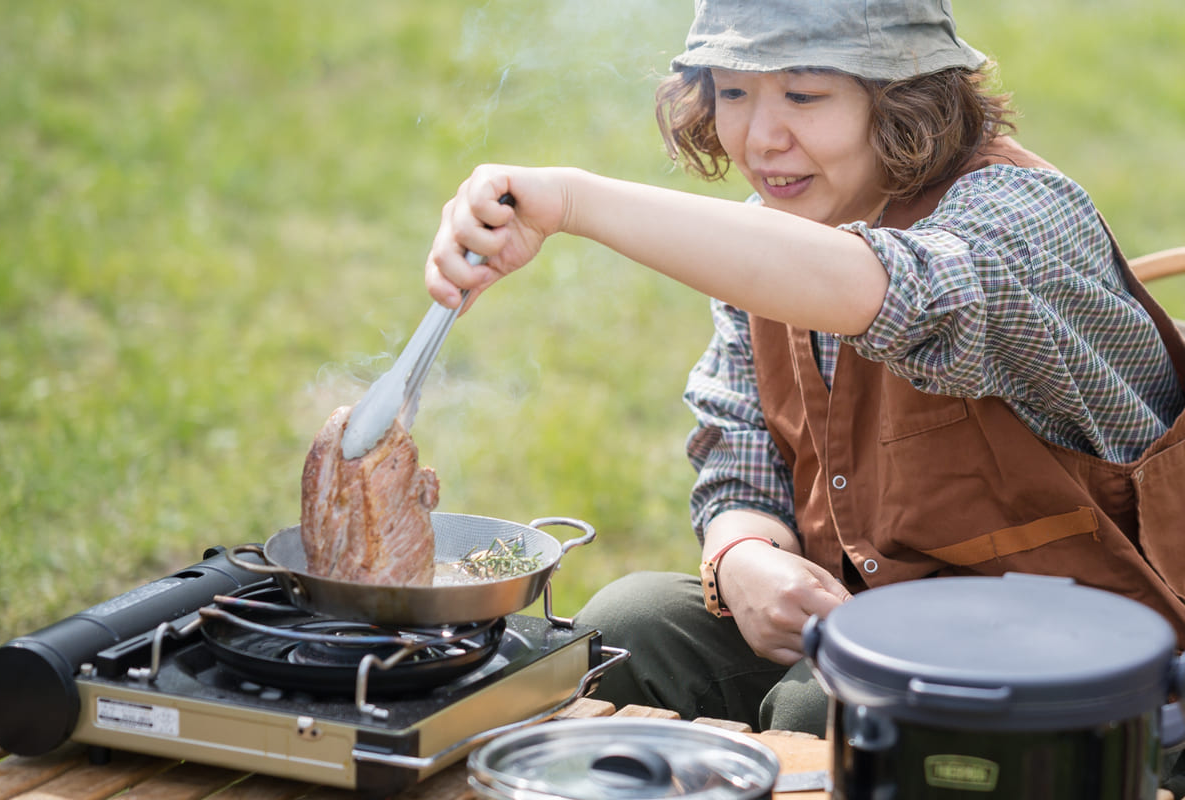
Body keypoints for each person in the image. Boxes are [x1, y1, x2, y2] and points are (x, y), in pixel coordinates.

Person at [426, 0, 1185, 745]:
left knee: (827, 704)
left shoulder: (1023, 214)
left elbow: (897, 292)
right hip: (862, 623)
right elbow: (739, 451)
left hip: (1098, 657)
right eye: (731, 92)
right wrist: (742, 557)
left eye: (804, 94)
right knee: (624, 627)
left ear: (902, 99)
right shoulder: (768, 244)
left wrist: (570, 201)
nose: (760, 137)